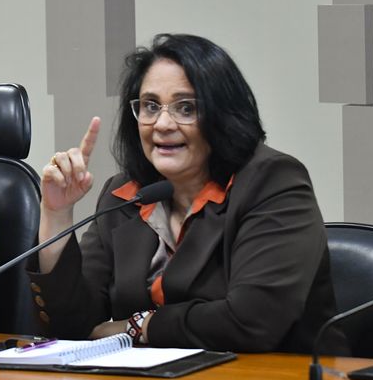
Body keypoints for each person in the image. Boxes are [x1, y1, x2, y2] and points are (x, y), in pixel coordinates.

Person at [31, 33, 348, 354]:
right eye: (150, 106)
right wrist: (56, 214)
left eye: (185, 108)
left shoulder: (273, 182)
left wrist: (140, 326)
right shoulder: (124, 194)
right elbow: (73, 328)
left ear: (223, 114)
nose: (163, 123)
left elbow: (252, 321)